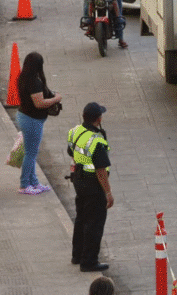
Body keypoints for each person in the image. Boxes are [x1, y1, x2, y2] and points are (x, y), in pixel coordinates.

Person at [68, 102, 113, 272]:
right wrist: (108, 193)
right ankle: (89, 261)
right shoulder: (97, 140)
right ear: (98, 119)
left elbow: (70, 151)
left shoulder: (75, 131)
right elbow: (101, 170)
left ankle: (77, 255)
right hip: (93, 185)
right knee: (94, 224)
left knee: (81, 219)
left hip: (79, 181)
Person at [17, 52, 60, 194]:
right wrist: (56, 99)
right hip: (32, 120)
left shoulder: (23, 77)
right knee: (30, 153)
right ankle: (24, 185)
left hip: (26, 117)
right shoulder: (33, 81)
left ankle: (34, 182)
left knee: (32, 152)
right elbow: (39, 103)